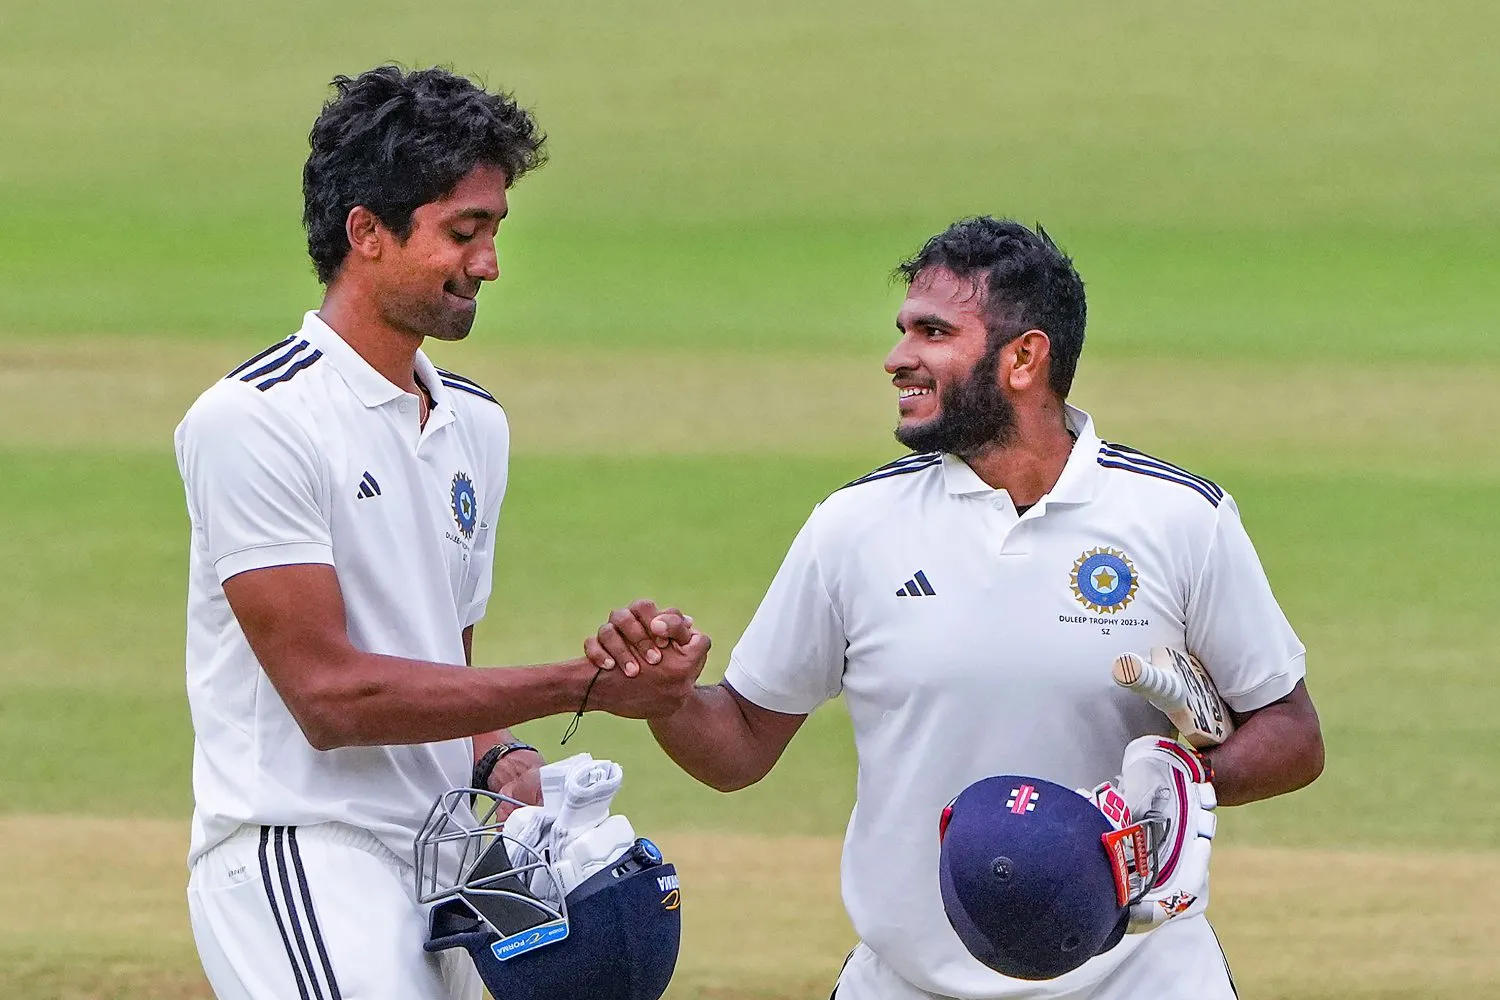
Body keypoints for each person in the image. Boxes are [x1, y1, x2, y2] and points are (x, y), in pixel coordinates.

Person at [587, 217, 1325, 999]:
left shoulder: (1178, 518)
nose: (896, 357)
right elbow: (739, 747)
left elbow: (1293, 733)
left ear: (1024, 358)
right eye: (904, 329)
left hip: (1143, 980)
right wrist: (668, 699)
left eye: (933, 332)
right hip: (906, 983)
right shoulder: (855, 527)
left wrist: (1184, 782)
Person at [174, 65, 708, 1000]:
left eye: (495, 230)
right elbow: (330, 698)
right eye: (464, 232)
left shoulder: (475, 424)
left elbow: (445, 669)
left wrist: (504, 756)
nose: (490, 263)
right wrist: (581, 685)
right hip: (304, 849)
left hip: (448, 849)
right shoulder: (257, 420)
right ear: (366, 233)